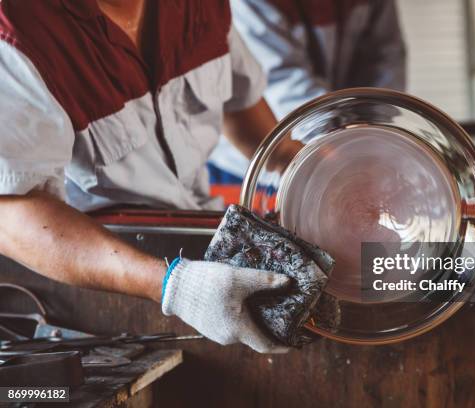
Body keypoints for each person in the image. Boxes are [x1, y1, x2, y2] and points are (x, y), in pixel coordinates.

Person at [0, 0, 301, 353]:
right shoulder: (17, 32)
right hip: (95, 278)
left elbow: (243, 111)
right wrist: (175, 286)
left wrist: (314, 167)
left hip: (204, 242)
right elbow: (13, 213)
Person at [208, 0, 407, 183]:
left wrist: (373, 138)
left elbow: (386, 61)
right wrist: (345, 154)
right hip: (252, 165)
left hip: (338, 149)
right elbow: (283, 80)